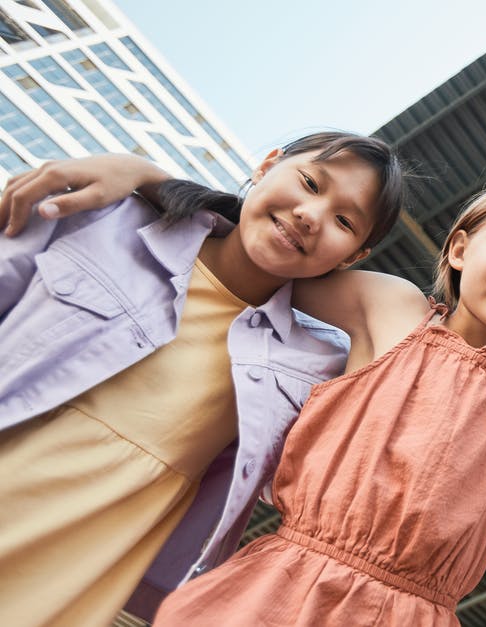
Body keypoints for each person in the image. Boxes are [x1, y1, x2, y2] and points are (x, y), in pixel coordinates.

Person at [0, 131, 406, 626]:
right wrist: (144, 174)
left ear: (353, 258)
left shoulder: (315, 368)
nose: (310, 214)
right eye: (309, 182)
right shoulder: (104, 217)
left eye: (345, 221)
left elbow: (381, 485)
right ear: (267, 164)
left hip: (64, 589)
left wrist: (385, 300)